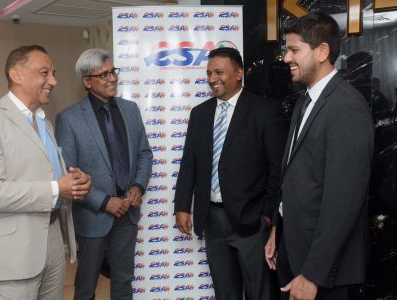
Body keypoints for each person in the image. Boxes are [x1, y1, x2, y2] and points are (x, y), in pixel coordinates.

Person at [0, 45, 92, 300]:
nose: (53, 81)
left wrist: (74, 183)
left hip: (53, 241)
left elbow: (46, 174)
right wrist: (57, 188)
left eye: (53, 73)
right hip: (11, 252)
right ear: (16, 74)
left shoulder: (45, 122)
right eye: (45, 72)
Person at [264, 12, 374, 300]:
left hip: (323, 269)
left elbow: (344, 200)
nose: (286, 58)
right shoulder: (304, 101)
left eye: (294, 50)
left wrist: (314, 273)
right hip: (293, 249)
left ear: (322, 51)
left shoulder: (347, 106)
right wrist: (278, 228)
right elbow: (294, 175)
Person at [174, 47, 285, 300]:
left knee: (260, 292)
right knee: (225, 292)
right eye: (209, 73)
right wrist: (182, 206)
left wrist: (267, 216)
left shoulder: (265, 111)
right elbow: (189, 163)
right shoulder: (199, 114)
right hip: (212, 219)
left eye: (219, 72)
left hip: (251, 221)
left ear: (239, 73)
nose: (213, 78)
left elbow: (276, 169)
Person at [55, 48, 152, 300]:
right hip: (92, 216)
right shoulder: (69, 119)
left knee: (123, 282)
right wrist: (104, 201)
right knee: (87, 286)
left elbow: (144, 153)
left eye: (113, 71)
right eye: (104, 74)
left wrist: (138, 186)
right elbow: (69, 173)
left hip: (127, 213)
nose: (112, 78)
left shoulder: (131, 110)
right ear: (87, 82)